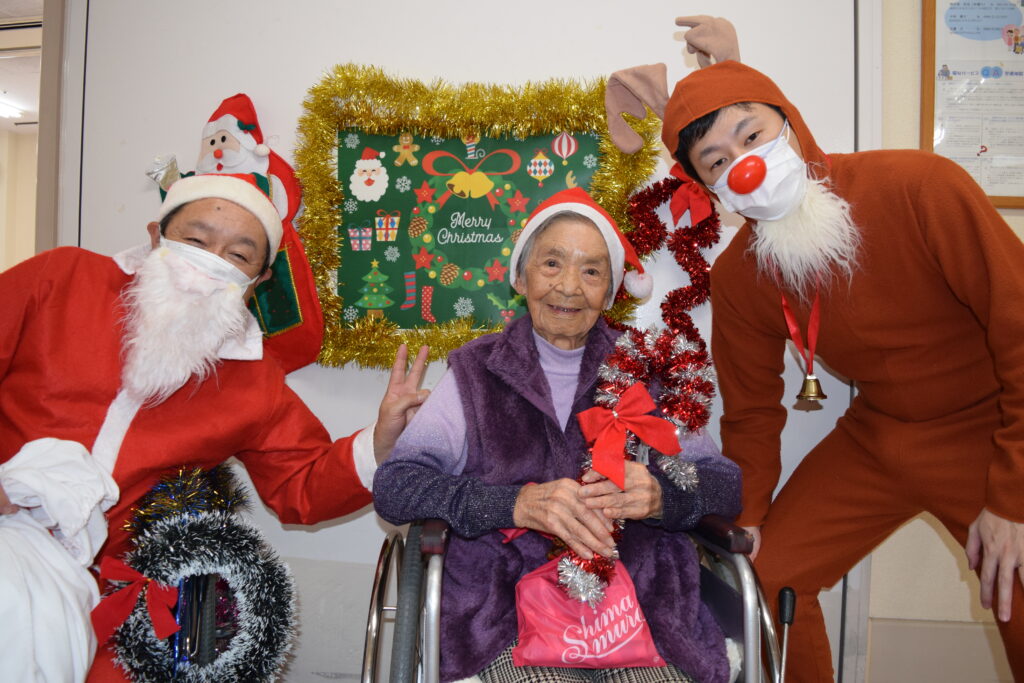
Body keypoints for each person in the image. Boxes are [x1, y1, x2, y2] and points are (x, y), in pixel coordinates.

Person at [655, 60, 1024, 680]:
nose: (744, 165)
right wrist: (749, 519)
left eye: (752, 135)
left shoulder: (919, 185)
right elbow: (752, 411)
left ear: (790, 122)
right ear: (709, 187)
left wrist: (1014, 497)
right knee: (769, 577)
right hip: (880, 436)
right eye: (716, 163)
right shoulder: (739, 276)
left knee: (1017, 586)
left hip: (994, 430)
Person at [0, 172, 429, 681]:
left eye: (239, 255)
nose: (209, 262)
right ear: (156, 236)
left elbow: (302, 484)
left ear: (258, 281)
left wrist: (380, 442)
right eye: (196, 240)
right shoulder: (61, 278)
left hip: (114, 598)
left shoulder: (252, 379)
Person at [373, 187, 742, 683]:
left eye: (591, 271)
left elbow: (724, 485)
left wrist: (662, 497)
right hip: (505, 611)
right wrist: (515, 504)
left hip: (642, 606)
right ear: (520, 277)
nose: (569, 286)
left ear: (610, 293)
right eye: (551, 264)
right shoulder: (475, 372)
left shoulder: (645, 370)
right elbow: (397, 486)